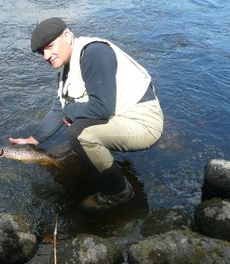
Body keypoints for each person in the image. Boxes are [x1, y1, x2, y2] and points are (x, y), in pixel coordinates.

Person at [9, 17, 164, 211]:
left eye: (49, 46)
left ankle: (119, 192)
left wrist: (71, 112)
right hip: (121, 117)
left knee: (78, 133)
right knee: (79, 130)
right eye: (41, 52)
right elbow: (59, 108)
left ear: (67, 36)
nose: (45, 56)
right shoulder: (66, 69)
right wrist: (33, 140)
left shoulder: (94, 54)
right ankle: (105, 167)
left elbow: (100, 109)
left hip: (143, 123)